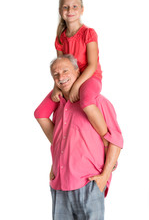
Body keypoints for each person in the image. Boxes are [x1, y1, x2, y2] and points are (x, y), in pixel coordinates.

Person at [36, 55, 123, 220]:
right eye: (56, 74)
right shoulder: (59, 109)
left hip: (88, 184)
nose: (61, 77)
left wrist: (104, 176)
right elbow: (60, 142)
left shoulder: (98, 102)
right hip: (60, 186)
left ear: (77, 71)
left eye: (65, 71)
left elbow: (116, 140)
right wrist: (55, 165)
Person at [34, 0, 109, 154]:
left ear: (82, 10)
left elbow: (92, 65)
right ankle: (60, 145)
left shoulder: (89, 33)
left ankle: (105, 141)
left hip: (89, 78)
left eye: (74, 6)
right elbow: (59, 67)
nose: (70, 10)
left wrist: (77, 87)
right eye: (66, 7)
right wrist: (56, 88)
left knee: (87, 103)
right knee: (40, 112)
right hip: (68, 81)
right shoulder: (60, 38)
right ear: (60, 11)